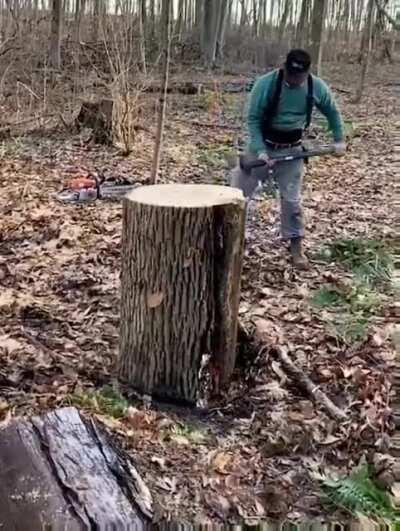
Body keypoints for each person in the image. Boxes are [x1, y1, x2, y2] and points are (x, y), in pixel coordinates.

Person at [231, 49, 346, 269]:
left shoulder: (316, 87)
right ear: (284, 68)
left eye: (298, 77)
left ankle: (295, 247)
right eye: (290, 76)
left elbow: (332, 111)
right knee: (238, 191)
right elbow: (253, 120)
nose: (294, 81)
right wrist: (260, 150)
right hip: (262, 145)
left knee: (292, 201)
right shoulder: (266, 85)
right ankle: (231, 239)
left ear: (306, 74)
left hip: (293, 148)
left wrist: (339, 139)